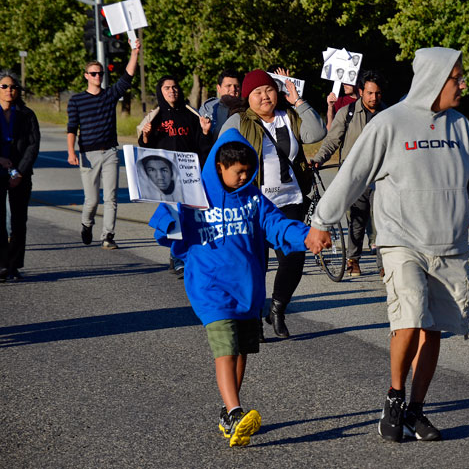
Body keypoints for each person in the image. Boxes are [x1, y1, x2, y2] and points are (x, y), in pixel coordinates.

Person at [305, 47, 469, 442]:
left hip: (448, 245)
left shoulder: (459, 126)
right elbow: (353, 174)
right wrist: (321, 221)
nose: (463, 83)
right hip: (401, 242)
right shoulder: (390, 122)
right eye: (457, 77)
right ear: (434, 78)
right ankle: (394, 399)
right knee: (409, 320)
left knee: (433, 330)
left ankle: (416, 410)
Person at [149, 130, 325, 447]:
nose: (244, 176)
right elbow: (166, 228)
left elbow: (277, 225)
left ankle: (230, 413)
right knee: (225, 349)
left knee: (242, 349)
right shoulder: (193, 194)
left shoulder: (254, 198)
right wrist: (170, 219)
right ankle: (234, 411)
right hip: (211, 288)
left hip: (247, 288)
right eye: (238, 172)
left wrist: (307, 235)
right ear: (219, 168)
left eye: (248, 170)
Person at [220, 69, 326, 338]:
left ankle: (277, 309)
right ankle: (254, 317)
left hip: (290, 200)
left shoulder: (289, 116)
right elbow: (221, 156)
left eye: (269, 89)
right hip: (254, 204)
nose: (265, 96)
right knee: (255, 267)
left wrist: (299, 102)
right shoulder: (238, 122)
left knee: (294, 259)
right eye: (257, 92)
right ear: (248, 97)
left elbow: (317, 132)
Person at [311, 70, 387, 277]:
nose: (374, 98)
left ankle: (384, 264)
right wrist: (318, 159)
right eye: (370, 93)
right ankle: (353, 260)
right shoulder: (347, 113)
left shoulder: (389, 115)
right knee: (357, 221)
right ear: (361, 91)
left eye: (378, 94)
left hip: (381, 177)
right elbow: (332, 141)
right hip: (354, 176)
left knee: (382, 220)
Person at [67, 39, 141, 249]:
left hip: (109, 152)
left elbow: (127, 78)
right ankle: (86, 223)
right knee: (91, 201)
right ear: (86, 76)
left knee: (111, 198)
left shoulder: (109, 96)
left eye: (100, 73)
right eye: (93, 73)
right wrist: (71, 151)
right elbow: (72, 128)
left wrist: (134, 52)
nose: (97, 76)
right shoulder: (76, 100)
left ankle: (108, 236)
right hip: (87, 155)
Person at [138, 75, 213, 276]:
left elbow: (202, 146)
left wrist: (205, 132)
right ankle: (177, 256)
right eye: (167, 88)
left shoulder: (190, 115)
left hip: (189, 174)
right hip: (167, 177)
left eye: (175, 87)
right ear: (160, 92)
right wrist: (146, 135)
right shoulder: (155, 117)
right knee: (174, 216)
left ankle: (186, 254)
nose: (172, 91)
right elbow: (145, 149)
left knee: (190, 217)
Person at [0, 71, 40, 281]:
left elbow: (33, 145)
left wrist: (20, 172)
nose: (9, 91)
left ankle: (14, 265)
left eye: (13, 87)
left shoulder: (26, 114)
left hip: (21, 174)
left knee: (18, 221)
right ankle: (2, 265)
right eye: (4, 86)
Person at [199, 70, 241, 137]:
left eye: (237, 86)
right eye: (228, 86)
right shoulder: (207, 109)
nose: (233, 89)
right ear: (218, 88)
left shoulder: (246, 110)